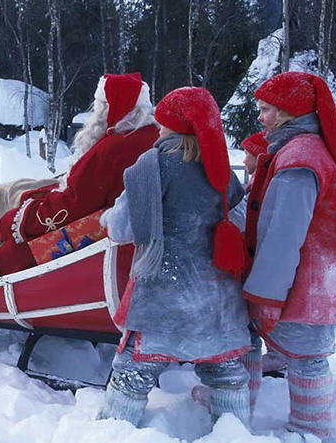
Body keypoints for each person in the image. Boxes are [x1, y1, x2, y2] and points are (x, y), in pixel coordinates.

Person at [96, 87, 251, 429]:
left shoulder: (150, 167)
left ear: (170, 126)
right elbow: (238, 223)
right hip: (215, 300)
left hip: (162, 298)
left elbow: (121, 230)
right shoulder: (221, 171)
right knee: (226, 373)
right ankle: (236, 433)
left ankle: (113, 432)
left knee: (133, 373)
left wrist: (108, 217)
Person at [243, 71, 336, 441]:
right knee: (302, 351)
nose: (260, 117)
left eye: (266, 109)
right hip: (314, 276)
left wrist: (266, 295)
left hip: (305, 280)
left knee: (307, 358)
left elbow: (283, 235)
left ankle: (312, 429)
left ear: (287, 112)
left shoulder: (300, 158)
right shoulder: (303, 148)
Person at [0, 73, 160, 275]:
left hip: (100, 239)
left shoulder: (113, 148)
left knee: (6, 243)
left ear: (109, 107)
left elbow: (73, 203)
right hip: (133, 231)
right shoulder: (153, 135)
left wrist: (20, 220)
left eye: (99, 105)